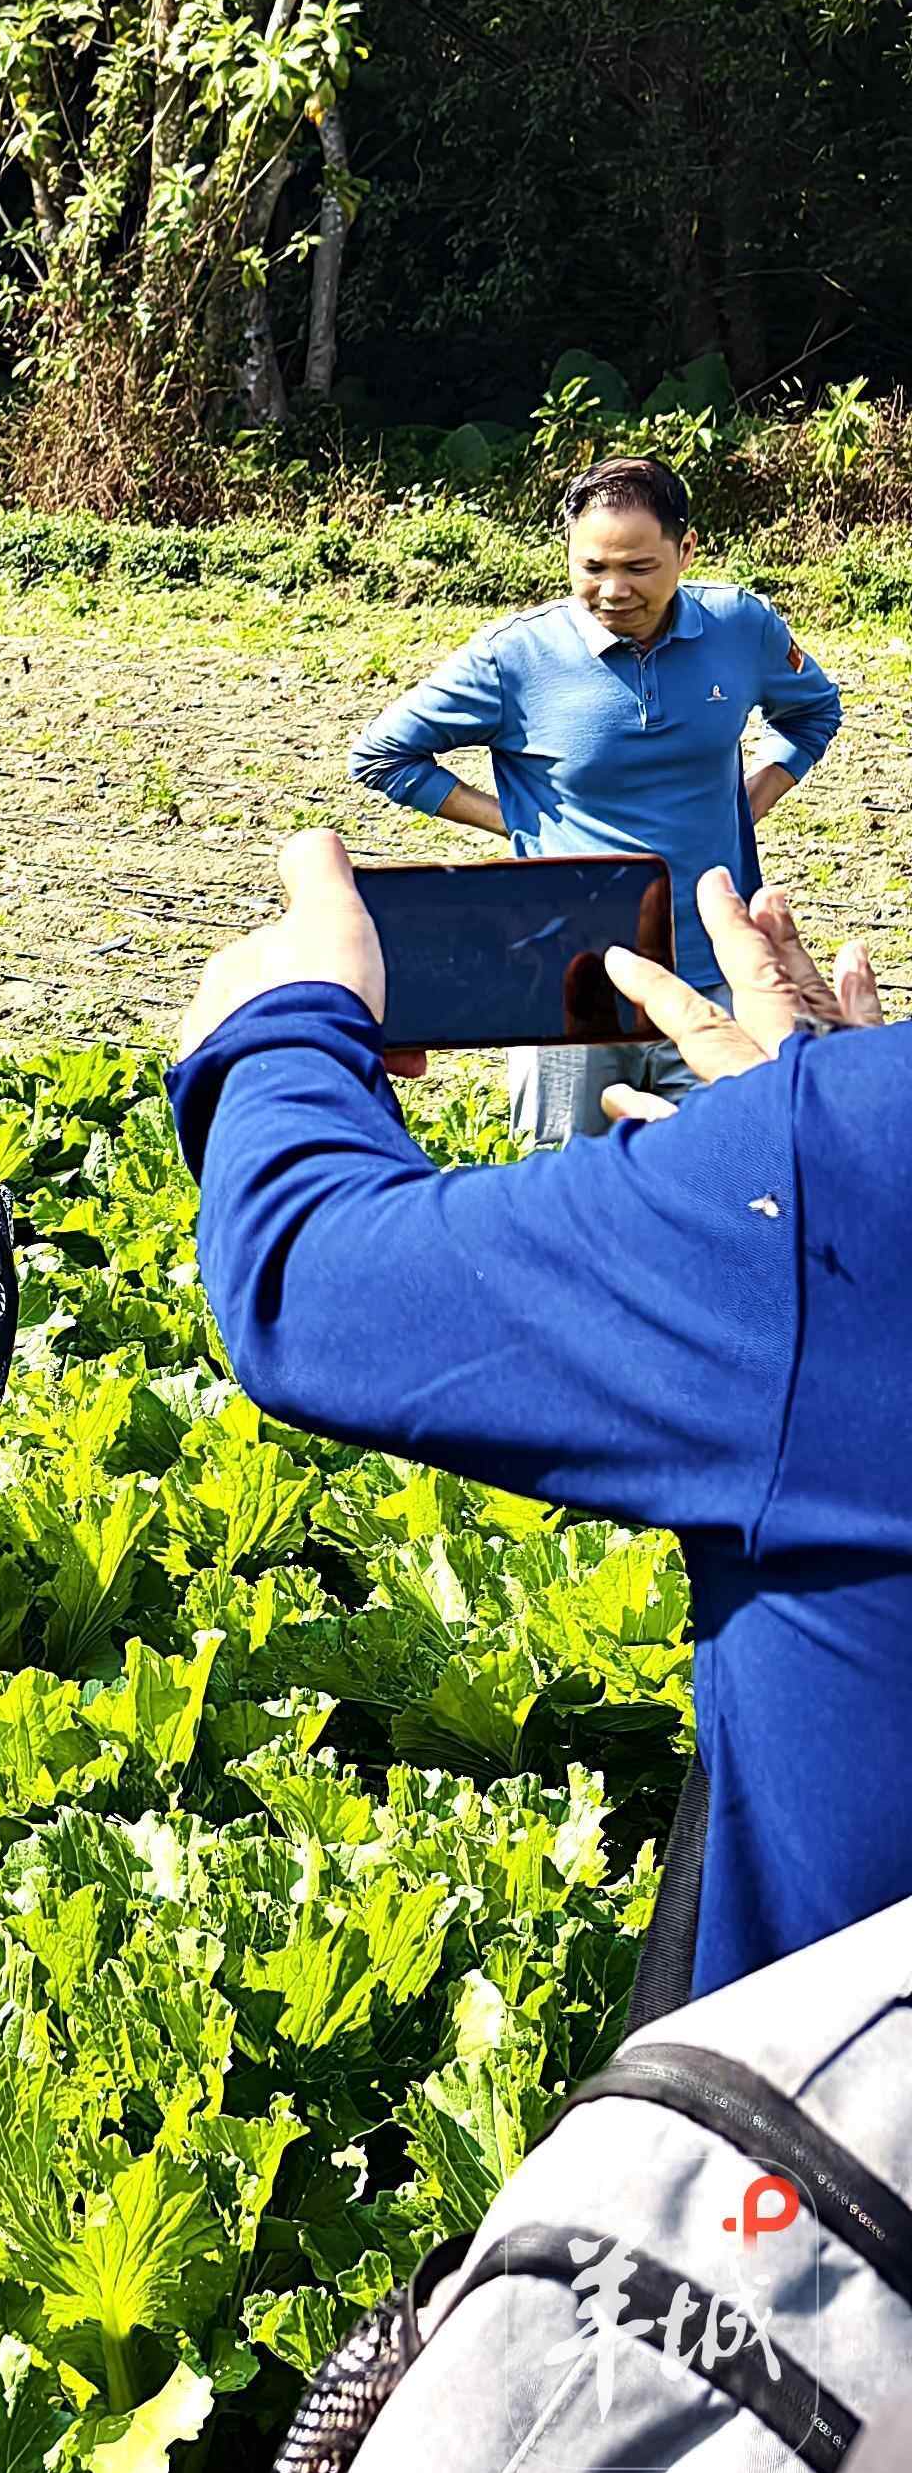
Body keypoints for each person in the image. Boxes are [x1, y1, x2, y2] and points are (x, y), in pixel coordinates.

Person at [173, 832, 905, 2002]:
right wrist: (811, 1144)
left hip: (840, 2090)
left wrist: (277, 1027)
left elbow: (305, 1282)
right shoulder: (848, 1164)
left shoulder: (846, 1170)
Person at [347, 454, 844, 1146]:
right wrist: (516, 822)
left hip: (713, 975)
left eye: (639, 567)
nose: (614, 590)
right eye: (593, 567)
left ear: (686, 550)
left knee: (732, 1177)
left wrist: (751, 798)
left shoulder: (740, 626)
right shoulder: (514, 658)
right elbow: (382, 756)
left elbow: (813, 712)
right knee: (565, 1180)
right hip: (568, 984)